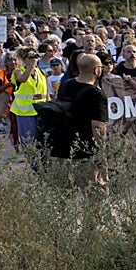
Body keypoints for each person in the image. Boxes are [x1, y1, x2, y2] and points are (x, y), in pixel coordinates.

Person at [55, 53, 109, 186]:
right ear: (96, 70)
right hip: (86, 150)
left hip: (64, 147)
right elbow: (97, 126)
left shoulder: (66, 85)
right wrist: (102, 156)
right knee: (95, 193)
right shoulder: (96, 93)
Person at [9, 50, 48, 148]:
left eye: (35, 56)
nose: (34, 59)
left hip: (40, 110)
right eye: (30, 57)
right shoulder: (18, 71)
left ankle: (42, 161)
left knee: (42, 139)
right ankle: (32, 161)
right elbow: (23, 79)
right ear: (24, 59)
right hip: (24, 112)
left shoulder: (41, 72)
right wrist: (30, 66)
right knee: (29, 139)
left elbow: (46, 92)